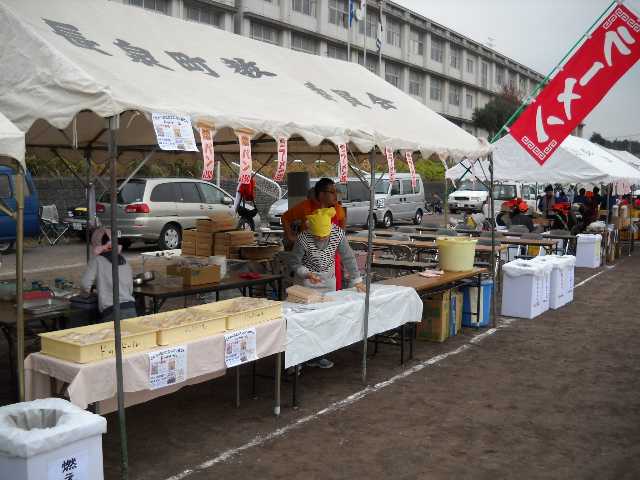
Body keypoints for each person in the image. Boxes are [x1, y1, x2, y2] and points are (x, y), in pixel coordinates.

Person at [289, 208, 365, 369]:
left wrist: (356, 280)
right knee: (305, 320)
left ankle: (319, 354)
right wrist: (307, 274)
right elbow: (294, 262)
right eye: (318, 236)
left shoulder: (337, 234)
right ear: (311, 230)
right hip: (306, 282)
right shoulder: (303, 238)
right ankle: (299, 357)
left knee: (325, 318)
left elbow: (348, 257)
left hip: (328, 279)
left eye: (325, 235)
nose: (322, 238)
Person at [281, 178, 347, 289]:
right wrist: (291, 236)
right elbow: (285, 218)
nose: (336, 195)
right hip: (308, 259)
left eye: (336, 191)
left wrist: (341, 236)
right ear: (321, 195)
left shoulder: (337, 209)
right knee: (307, 293)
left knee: (331, 295)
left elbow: (343, 219)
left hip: (330, 259)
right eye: (332, 192)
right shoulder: (305, 207)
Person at [81, 228, 136, 322]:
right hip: (130, 309)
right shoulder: (124, 260)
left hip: (112, 312)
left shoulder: (97, 260)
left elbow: (85, 284)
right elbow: (130, 289)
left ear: (96, 243)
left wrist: (89, 292)